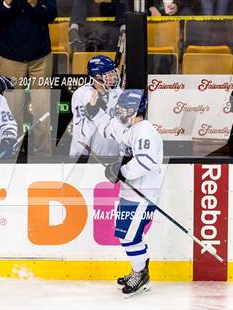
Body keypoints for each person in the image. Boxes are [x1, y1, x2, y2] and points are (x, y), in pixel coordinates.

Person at [84, 89, 164, 296]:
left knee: (129, 236)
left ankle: (140, 273)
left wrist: (121, 170)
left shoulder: (144, 130)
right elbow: (111, 128)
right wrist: (94, 110)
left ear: (134, 109)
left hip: (143, 194)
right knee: (126, 233)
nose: (118, 110)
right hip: (130, 193)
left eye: (122, 107)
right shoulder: (131, 128)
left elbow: (144, 161)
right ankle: (139, 269)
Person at [0, 0, 57, 156]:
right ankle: (12, 151)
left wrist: (35, 3)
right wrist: (6, 2)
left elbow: (51, 14)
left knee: (42, 106)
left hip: (40, 57)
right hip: (11, 57)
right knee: (12, 108)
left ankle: (43, 152)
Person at [69, 55, 121, 156]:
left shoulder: (118, 93)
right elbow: (82, 133)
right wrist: (92, 110)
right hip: (85, 157)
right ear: (97, 77)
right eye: (109, 74)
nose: (114, 77)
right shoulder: (82, 94)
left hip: (112, 156)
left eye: (114, 73)